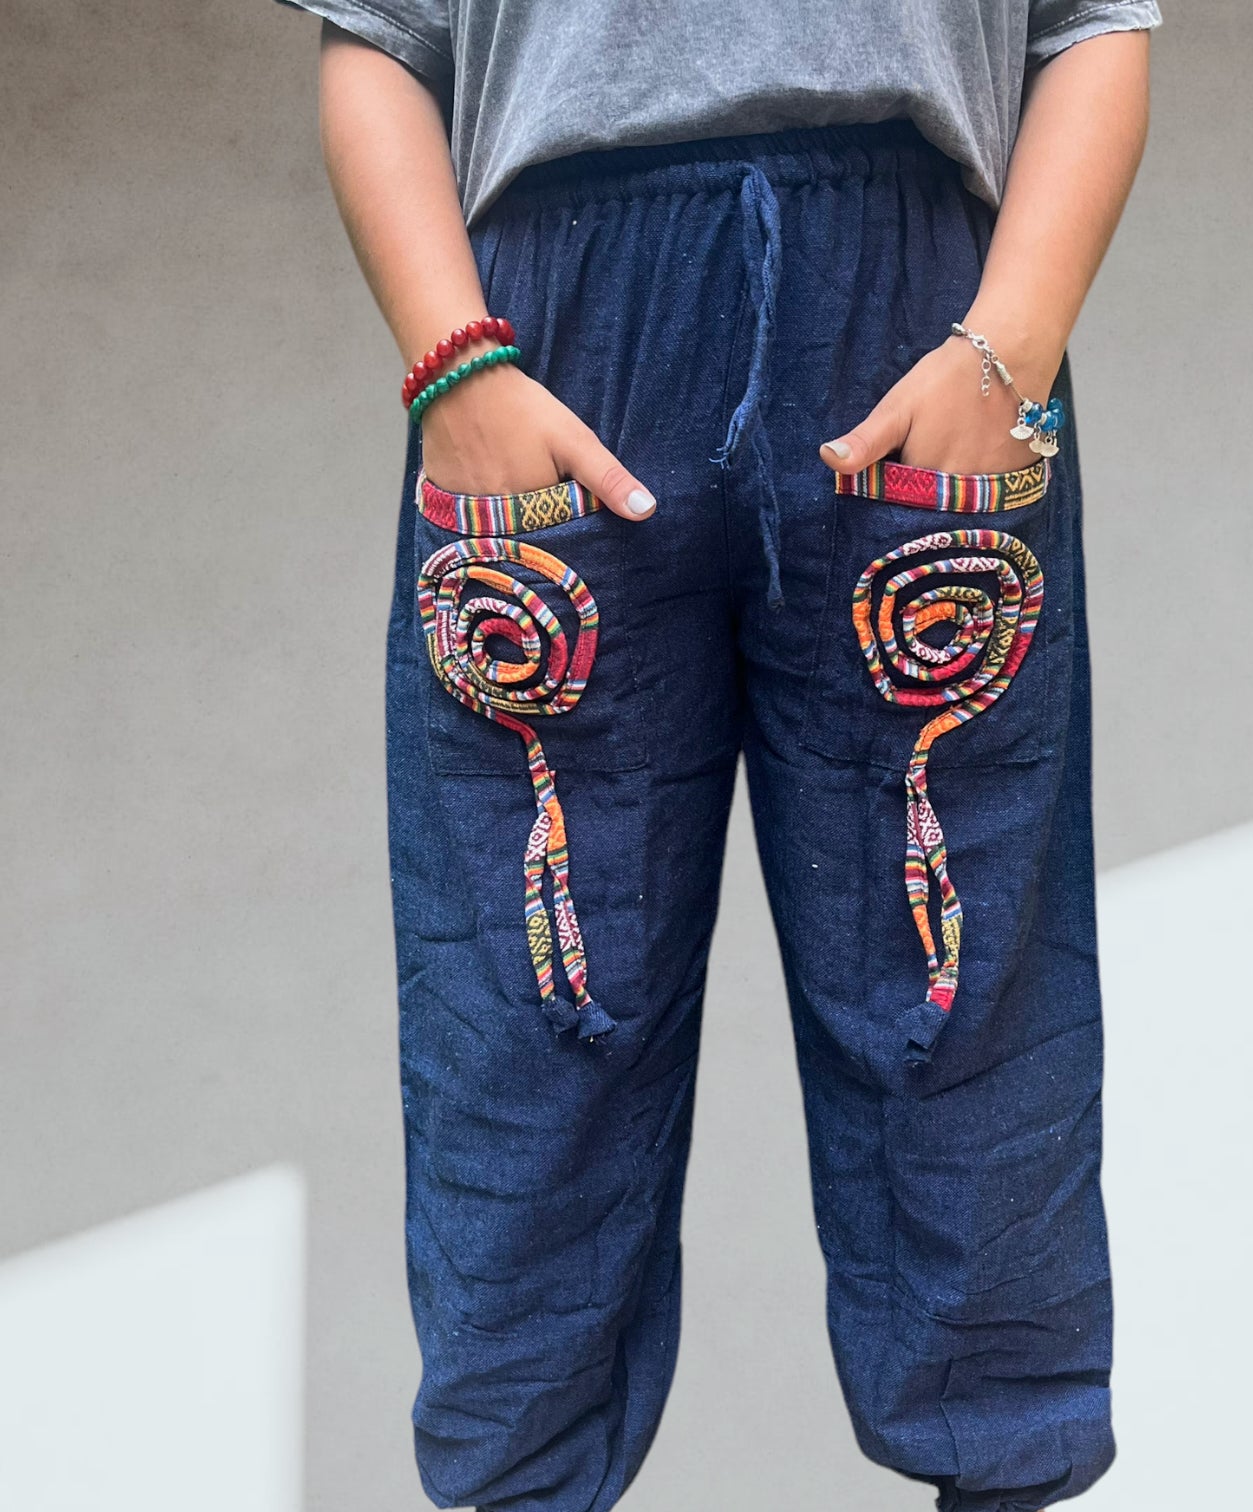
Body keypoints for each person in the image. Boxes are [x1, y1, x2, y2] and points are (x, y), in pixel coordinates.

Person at [278, 1, 1160, 1506]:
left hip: (922, 319)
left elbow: (1094, 21)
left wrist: (1008, 348)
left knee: (959, 996)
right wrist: (452, 368)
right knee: (531, 1007)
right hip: (551, 334)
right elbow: (379, 37)